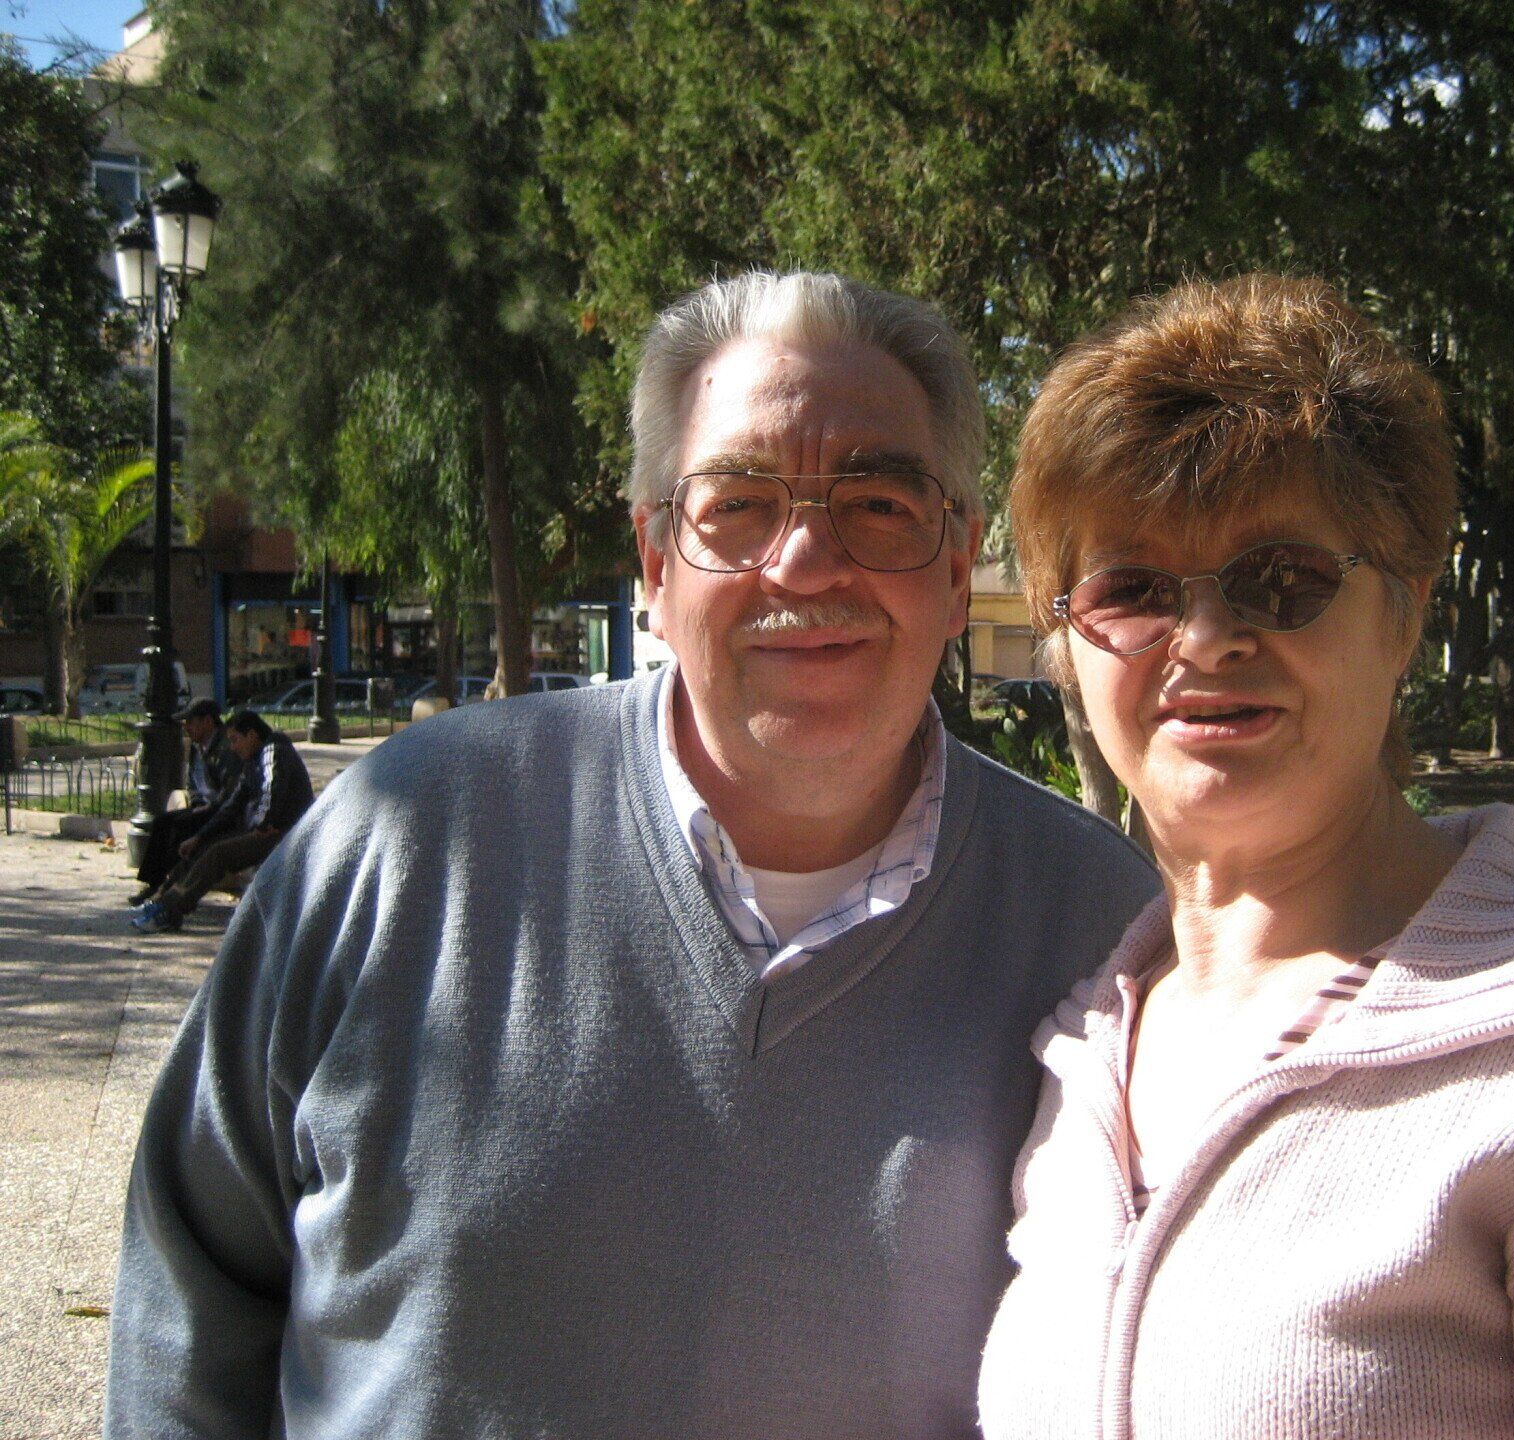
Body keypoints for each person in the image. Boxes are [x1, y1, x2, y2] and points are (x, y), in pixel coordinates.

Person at [106, 271, 1160, 1438]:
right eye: (737, 505)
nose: (805, 563)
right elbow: (190, 1291)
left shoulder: (1105, 936)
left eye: (879, 503)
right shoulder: (405, 841)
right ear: (655, 560)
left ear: (959, 565)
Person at [977, 275, 1514, 1439]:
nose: (1204, 638)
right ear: (1067, 642)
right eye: (1130, 589)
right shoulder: (1085, 1048)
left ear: (1404, 613)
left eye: (1280, 579)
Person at [131, 709, 315, 935]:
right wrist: (199, 837)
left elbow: (273, 789)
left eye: (235, 740)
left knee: (219, 854)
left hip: (285, 832)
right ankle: (162, 901)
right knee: (202, 848)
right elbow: (232, 805)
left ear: (252, 735)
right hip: (266, 828)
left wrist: (263, 825)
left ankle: (169, 911)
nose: (233, 747)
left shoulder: (273, 750)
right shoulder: (251, 762)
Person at [128, 697, 242, 906]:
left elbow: (232, 791)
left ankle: (169, 888)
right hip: (203, 807)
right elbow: (192, 782)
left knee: (181, 827)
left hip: (222, 811)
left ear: (207, 722)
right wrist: (198, 802)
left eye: (191, 722)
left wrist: (211, 807)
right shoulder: (197, 747)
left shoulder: (226, 747)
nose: (186, 728)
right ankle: (153, 883)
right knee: (162, 822)